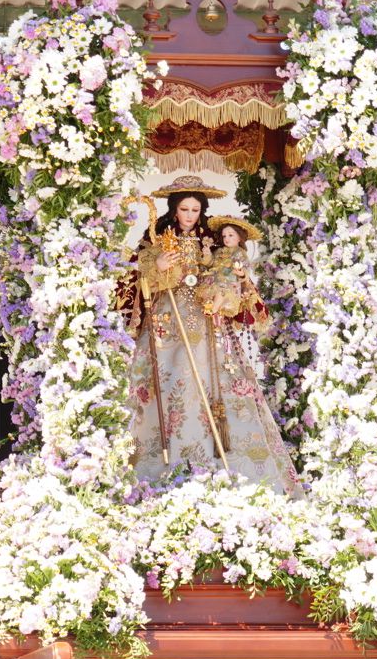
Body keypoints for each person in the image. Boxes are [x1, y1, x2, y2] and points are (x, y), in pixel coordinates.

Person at [125, 174, 297, 493]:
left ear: (201, 211)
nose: (189, 216)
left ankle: (219, 461)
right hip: (167, 322)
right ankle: (162, 462)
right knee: (169, 379)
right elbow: (138, 284)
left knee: (212, 380)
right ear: (173, 210)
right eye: (183, 209)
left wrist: (222, 292)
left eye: (194, 210)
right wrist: (156, 268)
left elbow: (226, 275)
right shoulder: (155, 239)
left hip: (207, 322)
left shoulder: (214, 241)